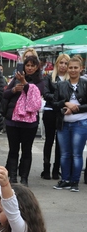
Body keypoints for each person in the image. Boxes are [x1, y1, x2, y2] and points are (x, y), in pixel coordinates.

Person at [1, 55, 45, 186]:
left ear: (37, 67)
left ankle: (24, 179)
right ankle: (13, 178)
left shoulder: (40, 81)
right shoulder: (16, 78)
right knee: (13, 149)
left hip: (30, 122)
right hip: (12, 120)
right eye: (27, 65)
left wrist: (25, 84)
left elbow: (36, 95)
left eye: (32, 65)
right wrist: (14, 89)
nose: (30, 68)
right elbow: (5, 94)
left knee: (26, 150)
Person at [52, 55, 87, 192]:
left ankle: (74, 182)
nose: (72, 70)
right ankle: (65, 180)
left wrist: (76, 109)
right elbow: (54, 103)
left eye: (75, 68)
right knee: (65, 154)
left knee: (76, 154)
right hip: (63, 124)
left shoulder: (85, 84)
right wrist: (65, 104)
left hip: (81, 123)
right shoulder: (61, 85)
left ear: (81, 69)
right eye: (70, 67)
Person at [41, 53, 69, 180]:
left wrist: (60, 101)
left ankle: (56, 169)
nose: (63, 65)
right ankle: (46, 168)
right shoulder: (49, 77)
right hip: (50, 111)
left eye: (66, 63)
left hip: (63, 113)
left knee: (60, 143)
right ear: (57, 63)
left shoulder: (70, 79)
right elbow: (46, 94)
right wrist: (60, 100)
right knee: (49, 140)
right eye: (61, 62)